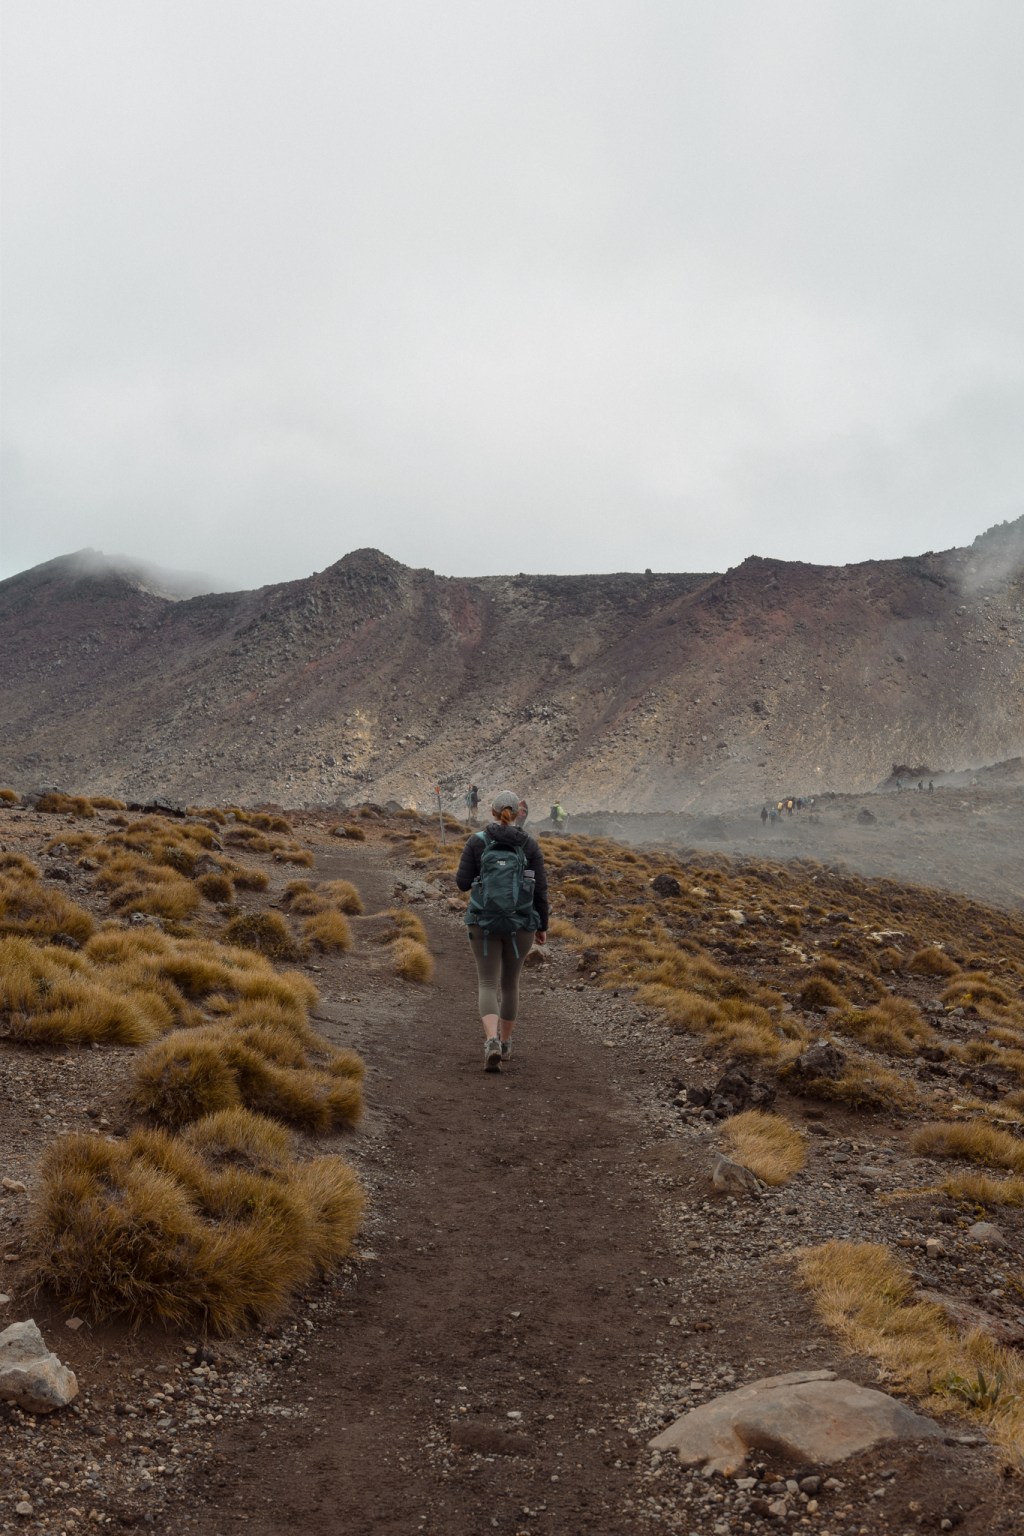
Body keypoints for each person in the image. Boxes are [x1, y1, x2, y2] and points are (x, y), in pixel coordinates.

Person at [456, 789, 549, 1072]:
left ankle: (490, 1042)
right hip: (521, 923)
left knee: (487, 983)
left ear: (493, 813)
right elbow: (541, 891)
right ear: (519, 813)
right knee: (510, 984)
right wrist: (541, 926)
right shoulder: (529, 845)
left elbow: (461, 884)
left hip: (482, 921)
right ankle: (506, 1043)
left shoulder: (477, 842)